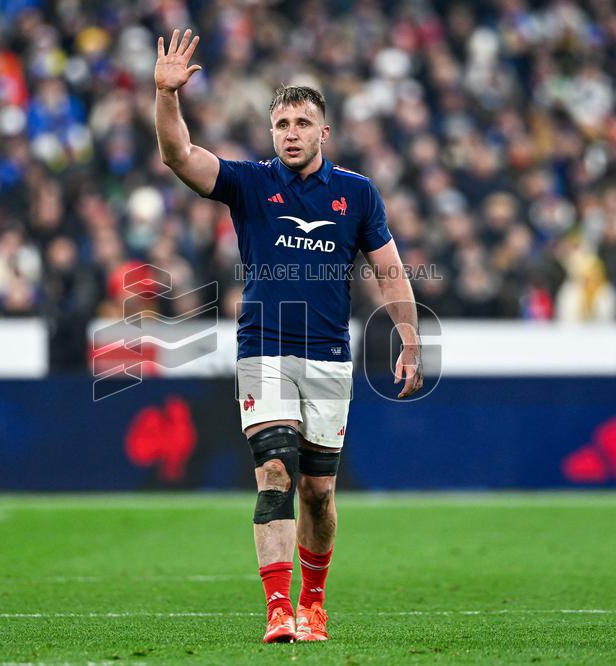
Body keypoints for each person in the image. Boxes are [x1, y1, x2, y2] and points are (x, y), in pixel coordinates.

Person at [154, 29, 423, 643]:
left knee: (320, 493)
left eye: (303, 122)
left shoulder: (357, 194)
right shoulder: (249, 183)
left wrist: (409, 340)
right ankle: (279, 609)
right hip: (264, 350)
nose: (292, 132)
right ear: (270, 131)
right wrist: (166, 96)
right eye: (282, 123)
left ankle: (314, 602)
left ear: (323, 132)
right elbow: (179, 157)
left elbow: (389, 271)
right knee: (274, 468)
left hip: (329, 356)